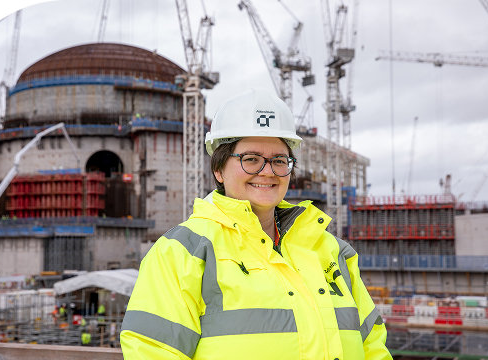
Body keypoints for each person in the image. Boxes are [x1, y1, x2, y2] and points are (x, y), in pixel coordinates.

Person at [120, 89, 392, 359]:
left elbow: (374, 347)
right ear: (218, 169)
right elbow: (153, 352)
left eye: (278, 160)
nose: (268, 171)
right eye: (250, 159)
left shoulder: (331, 251)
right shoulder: (182, 252)